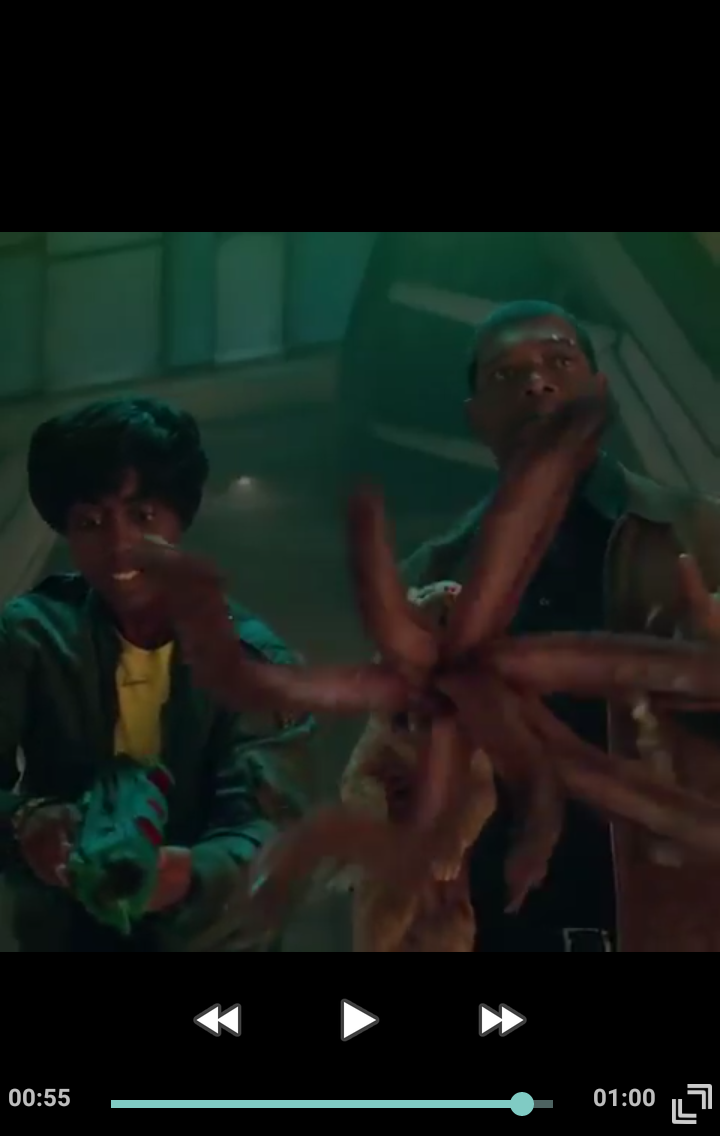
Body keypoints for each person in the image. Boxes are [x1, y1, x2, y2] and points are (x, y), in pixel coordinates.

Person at [340, 300, 720, 953]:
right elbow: (391, 775)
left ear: (600, 392)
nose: (536, 383)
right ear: (476, 417)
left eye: (559, 362)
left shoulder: (705, 537)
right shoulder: (429, 578)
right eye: (504, 375)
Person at [0, 398, 314, 952]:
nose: (119, 544)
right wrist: (26, 821)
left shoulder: (254, 662)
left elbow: (275, 830)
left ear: (178, 518)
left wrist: (187, 876)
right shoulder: (31, 638)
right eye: (91, 522)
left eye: (143, 516)